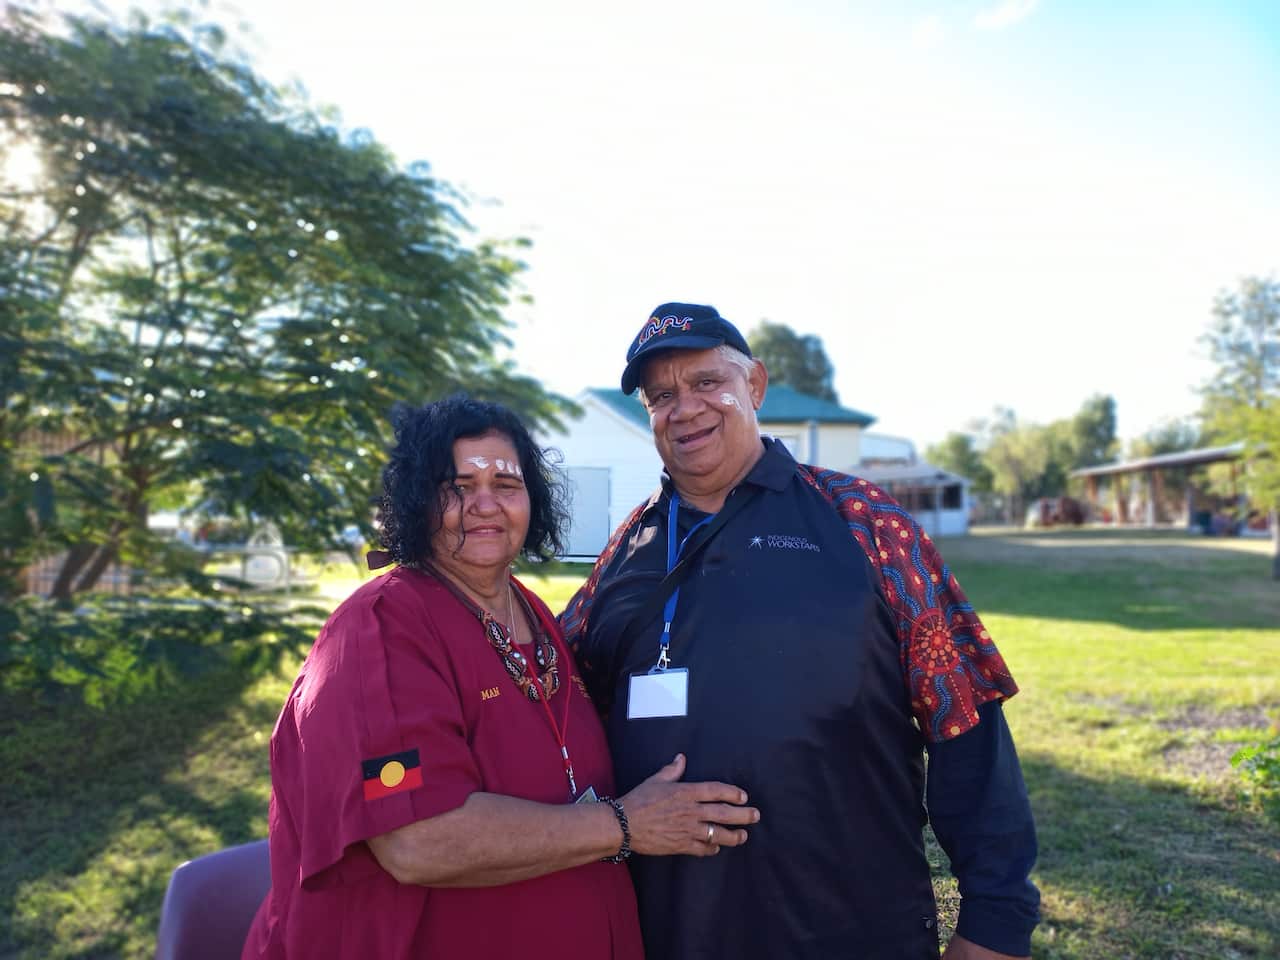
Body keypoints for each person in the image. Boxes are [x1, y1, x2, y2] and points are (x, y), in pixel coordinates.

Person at [561, 303, 1040, 960]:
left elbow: (965, 720)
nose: (685, 408)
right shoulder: (627, 550)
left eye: (707, 382)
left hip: (849, 927)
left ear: (755, 385)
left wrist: (996, 921)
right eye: (661, 396)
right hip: (668, 929)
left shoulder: (862, 520)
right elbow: (553, 710)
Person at [242, 394, 760, 960]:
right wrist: (624, 824)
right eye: (457, 487)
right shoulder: (380, 629)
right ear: (417, 500)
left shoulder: (530, 611)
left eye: (507, 485)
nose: (484, 505)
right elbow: (418, 839)